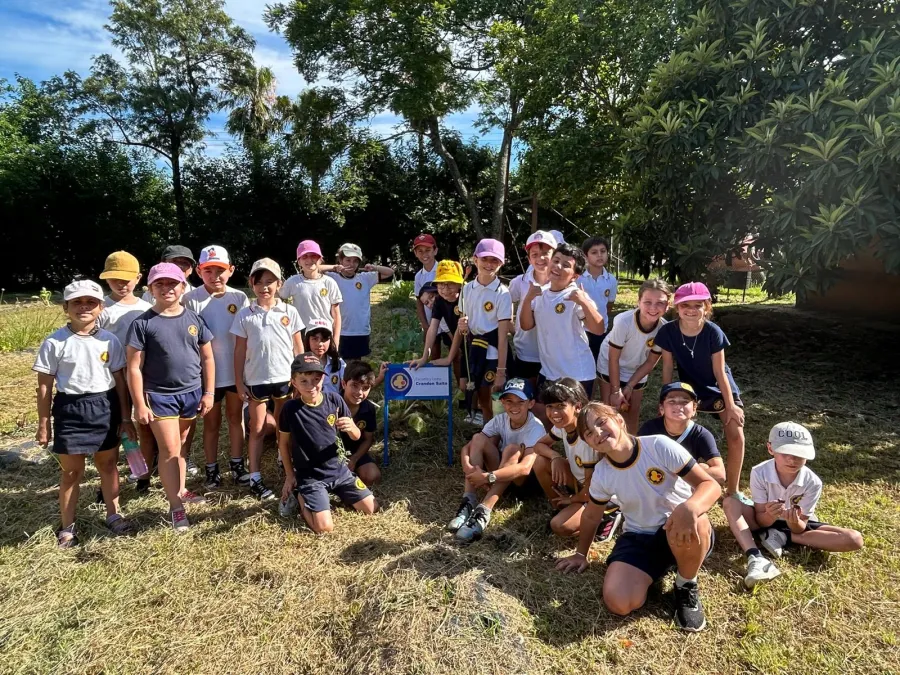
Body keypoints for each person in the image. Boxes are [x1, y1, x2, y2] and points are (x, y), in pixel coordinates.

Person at [556, 402, 721, 632]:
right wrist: (581, 554)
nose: (598, 433)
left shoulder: (658, 445)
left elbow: (710, 485)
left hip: (680, 527)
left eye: (602, 422)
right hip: (639, 536)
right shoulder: (602, 473)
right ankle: (662, 565)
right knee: (619, 602)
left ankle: (685, 584)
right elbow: (592, 516)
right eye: (589, 433)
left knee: (694, 517)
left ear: (619, 420)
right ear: (588, 443)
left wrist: (691, 507)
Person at [34, 280, 134, 547]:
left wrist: (126, 418)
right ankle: (67, 526)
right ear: (65, 307)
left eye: (91, 302)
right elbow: (44, 388)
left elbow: (120, 382)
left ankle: (114, 514)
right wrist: (44, 423)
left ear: (101, 307)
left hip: (105, 407)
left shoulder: (110, 340)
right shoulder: (54, 342)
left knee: (108, 465)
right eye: (77, 302)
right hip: (70, 410)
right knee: (71, 472)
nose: (84, 307)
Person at [126, 263, 215, 532]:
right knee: (169, 450)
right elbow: (133, 367)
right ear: (150, 289)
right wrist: (139, 404)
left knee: (183, 444)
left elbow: (207, 358)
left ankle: (181, 488)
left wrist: (209, 392)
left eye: (172, 283)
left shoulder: (194, 319)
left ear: (183, 287)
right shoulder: (142, 323)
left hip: (191, 393)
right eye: (160, 284)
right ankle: (176, 507)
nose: (166, 288)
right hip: (160, 396)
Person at [723, 422, 863, 589]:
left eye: (799, 454)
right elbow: (760, 519)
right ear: (770, 449)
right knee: (730, 502)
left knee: (854, 539)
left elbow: (801, 526)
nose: (792, 459)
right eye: (785, 453)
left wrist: (793, 523)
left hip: (795, 527)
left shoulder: (813, 482)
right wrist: (770, 515)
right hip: (763, 522)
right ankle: (755, 556)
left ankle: (783, 536)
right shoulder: (759, 472)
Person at [654, 281, 745, 495]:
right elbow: (667, 367)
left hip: (717, 387)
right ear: (677, 307)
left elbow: (720, 372)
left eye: (698, 305)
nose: (692, 310)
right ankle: (679, 481)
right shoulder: (668, 331)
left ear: (707, 307)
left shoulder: (713, 331)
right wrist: (665, 399)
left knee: (736, 434)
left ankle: (733, 490)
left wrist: (731, 405)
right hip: (689, 387)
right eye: (686, 305)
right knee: (671, 429)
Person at [278, 352, 378, 534]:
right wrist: (290, 475)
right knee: (324, 528)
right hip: (311, 477)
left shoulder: (334, 400)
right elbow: (283, 444)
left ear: (323, 379)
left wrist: (352, 428)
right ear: (294, 382)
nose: (311, 386)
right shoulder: (289, 409)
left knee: (372, 508)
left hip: (339, 471)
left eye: (316, 380)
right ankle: (302, 496)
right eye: (304, 381)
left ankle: (335, 493)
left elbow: (356, 436)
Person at [232, 258, 305, 500]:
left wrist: (300, 377)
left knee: (284, 424)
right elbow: (239, 351)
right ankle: (255, 476)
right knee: (257, 428)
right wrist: (239, 382)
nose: (264, 287)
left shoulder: (289, 311)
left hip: (285, 378)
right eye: (259, 282)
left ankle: (283, 460)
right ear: (251, 284)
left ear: (279, 284)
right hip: (256, 380)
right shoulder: (245, 314)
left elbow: (298, 347)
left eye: (270, 282)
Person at [183, 246, 250, 490]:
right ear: (199, 272)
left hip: (234, 372)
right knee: (211, 424)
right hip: (207, 376)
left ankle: (237, 464)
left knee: (235, 418)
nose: (215, 276)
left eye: (220, 270)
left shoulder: (239, 298)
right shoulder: (190, 300)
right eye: (208, 270)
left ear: (231, 270)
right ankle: (211, 468)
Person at [448, 378, 546, 542]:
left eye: (520, 402)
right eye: (509, 401)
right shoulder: (501, 419)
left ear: (531, 403)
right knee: (478, 438)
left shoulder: (535, 427)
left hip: (522, 483)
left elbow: (525, 468)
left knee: (512, 449)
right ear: (502, 402)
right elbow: (468, 447)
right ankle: (468, 501)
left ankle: (484, 511)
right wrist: (468, 468)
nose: (514, 406)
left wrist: (488, 477)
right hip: (501, 477)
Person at [532, 378, 621, 540]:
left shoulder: (587, 437)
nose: (554, 413)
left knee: (559, 526)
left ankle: (609, 515)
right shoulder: (564, 425)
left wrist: (571, 499)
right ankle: (560, 507)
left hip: (600, 494)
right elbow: (538, 445)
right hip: (582, 484)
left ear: (578, 407)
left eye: (561, 406)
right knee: (540, 462)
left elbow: (590, 490)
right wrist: (555, 457)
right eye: (550, 406)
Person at [97, 251, 154, 487]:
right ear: (106, 279)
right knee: (116, 425)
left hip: (142, 374)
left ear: (138, 278)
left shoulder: (146, 308)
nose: (121, 284)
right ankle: (110, 477)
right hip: (111, 377)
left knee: (145, 424)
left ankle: (144, 474)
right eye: (115, 279)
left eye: (126, 279)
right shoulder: (101, 308)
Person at [519, 242, 603, 398]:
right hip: (548, 371)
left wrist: (584, 302)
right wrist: (528, 298)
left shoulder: (576, 295)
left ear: (575, 276)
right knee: (544, 411)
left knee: (575, 414)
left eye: (565, 265)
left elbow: (599, 329)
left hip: (577, 374)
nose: (557, 266)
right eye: (556, 260)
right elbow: (526, 325)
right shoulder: (540, 294)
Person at [598, 278, 670, 433]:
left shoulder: (664, 329)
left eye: (660, 303)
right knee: (610, 409)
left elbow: (650, 362)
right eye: (647, 302)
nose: (653, 308)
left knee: (632, 411)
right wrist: (616, 390)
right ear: (638, 302)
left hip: (638, 367)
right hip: (610, 362)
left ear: (667, 305)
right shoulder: (624, 322)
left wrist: (630, 385)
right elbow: (613, 358)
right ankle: (607, 443)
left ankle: (631, 444)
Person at [456, 238, 513, 424]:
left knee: (494, 399)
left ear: (501, 263)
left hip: (493, 353)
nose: (489, 264)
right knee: (481, 397)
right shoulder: (467, 289)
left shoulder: (502, 293)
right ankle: (489, 433)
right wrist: (462, 325)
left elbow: (503, 337)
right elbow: (464, 322)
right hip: (474, 350)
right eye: (485, 259)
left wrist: (501, 371)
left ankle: (500, 434)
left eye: (494, 260)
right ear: (475, 259)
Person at [638, 383, 725, 485]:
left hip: (682, 486)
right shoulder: (650, 429)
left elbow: (720, 474)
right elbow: (635, 460)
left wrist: (684, 473)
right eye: (672, 401)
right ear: (662, 408)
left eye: (685, 402)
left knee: (704, 469)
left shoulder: (701, 435)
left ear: (694, 408)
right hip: (652, 481)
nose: (678, 406)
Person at [326, 243, 394, 360]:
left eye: (355, 261)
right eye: (348, 260)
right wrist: (334, 267)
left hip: (360, 330)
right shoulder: (332, 278)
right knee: (338, 362)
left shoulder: (365, 278)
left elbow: (390, 272)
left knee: (356, 363)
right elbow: (315, 270)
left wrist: (374, 267)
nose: (351, 264)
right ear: (340, 260)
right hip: (340, 330)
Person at [508, 231, 557, 389]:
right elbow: (505, 304)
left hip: (553, 353)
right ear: (529, 259)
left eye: (545, 253)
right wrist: (511, 325)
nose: (540, 259)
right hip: (526, 352)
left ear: (555, 255)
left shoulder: (561, 283)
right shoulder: (519, 282)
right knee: (525, 394)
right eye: (534, 255)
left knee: (548, 397)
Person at [280, 240, 343, 346]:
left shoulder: (329, 282)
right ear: (299, 261)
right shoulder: (292, 282)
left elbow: (336, 315)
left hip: (324, 334)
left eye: (314, 256)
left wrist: (336, 341)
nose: (309, 260)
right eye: (304, 257)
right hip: (301, 335)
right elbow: (278, 298)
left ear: (320, 259)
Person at [414, 260, 463, 377]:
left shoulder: (465, 297)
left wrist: (450, 357)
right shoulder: (439, 302)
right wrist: (424, 357)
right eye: (441, 284)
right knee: (464, 380)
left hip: (476, 341)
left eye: (450, 284)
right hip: (460, 338)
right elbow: (433, 328)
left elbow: (459, 330)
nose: (445, 289)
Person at [339, 361, 382, 487]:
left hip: (355, 451)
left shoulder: (368, 409)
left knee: (372, 476)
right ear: (343, 384)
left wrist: (354, 459)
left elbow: (368, 439)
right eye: (354, 386)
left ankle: (353, 475)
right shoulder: (331, 404)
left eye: (365, 388)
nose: (359, 392)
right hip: (331, 453)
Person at [578, 236, 617, 363]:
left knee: (598, 362)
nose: (599, 255)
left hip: (601, 329)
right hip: (581, 329)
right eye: (594, 252)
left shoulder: (611, 280)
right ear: (585, 256)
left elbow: (609, 305)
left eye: (603, 251)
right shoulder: (578, 278)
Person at [412, 233, 449, 355]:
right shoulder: (418, 276)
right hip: (431, 320)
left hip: (448, 318)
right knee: (433, 352)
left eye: (428, 250)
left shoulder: (445, 270)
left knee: (456, 353)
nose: (424, 254)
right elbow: (419, 301)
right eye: (420, 251)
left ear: (435, 250)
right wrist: (425, 324)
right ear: (416, 253)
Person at [305, 318, 345, 395]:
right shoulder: (302, 363)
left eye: (324, 339)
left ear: (330, 341)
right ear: (308, 340)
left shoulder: (338, 362)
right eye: (315, 339)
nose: (320, 344)